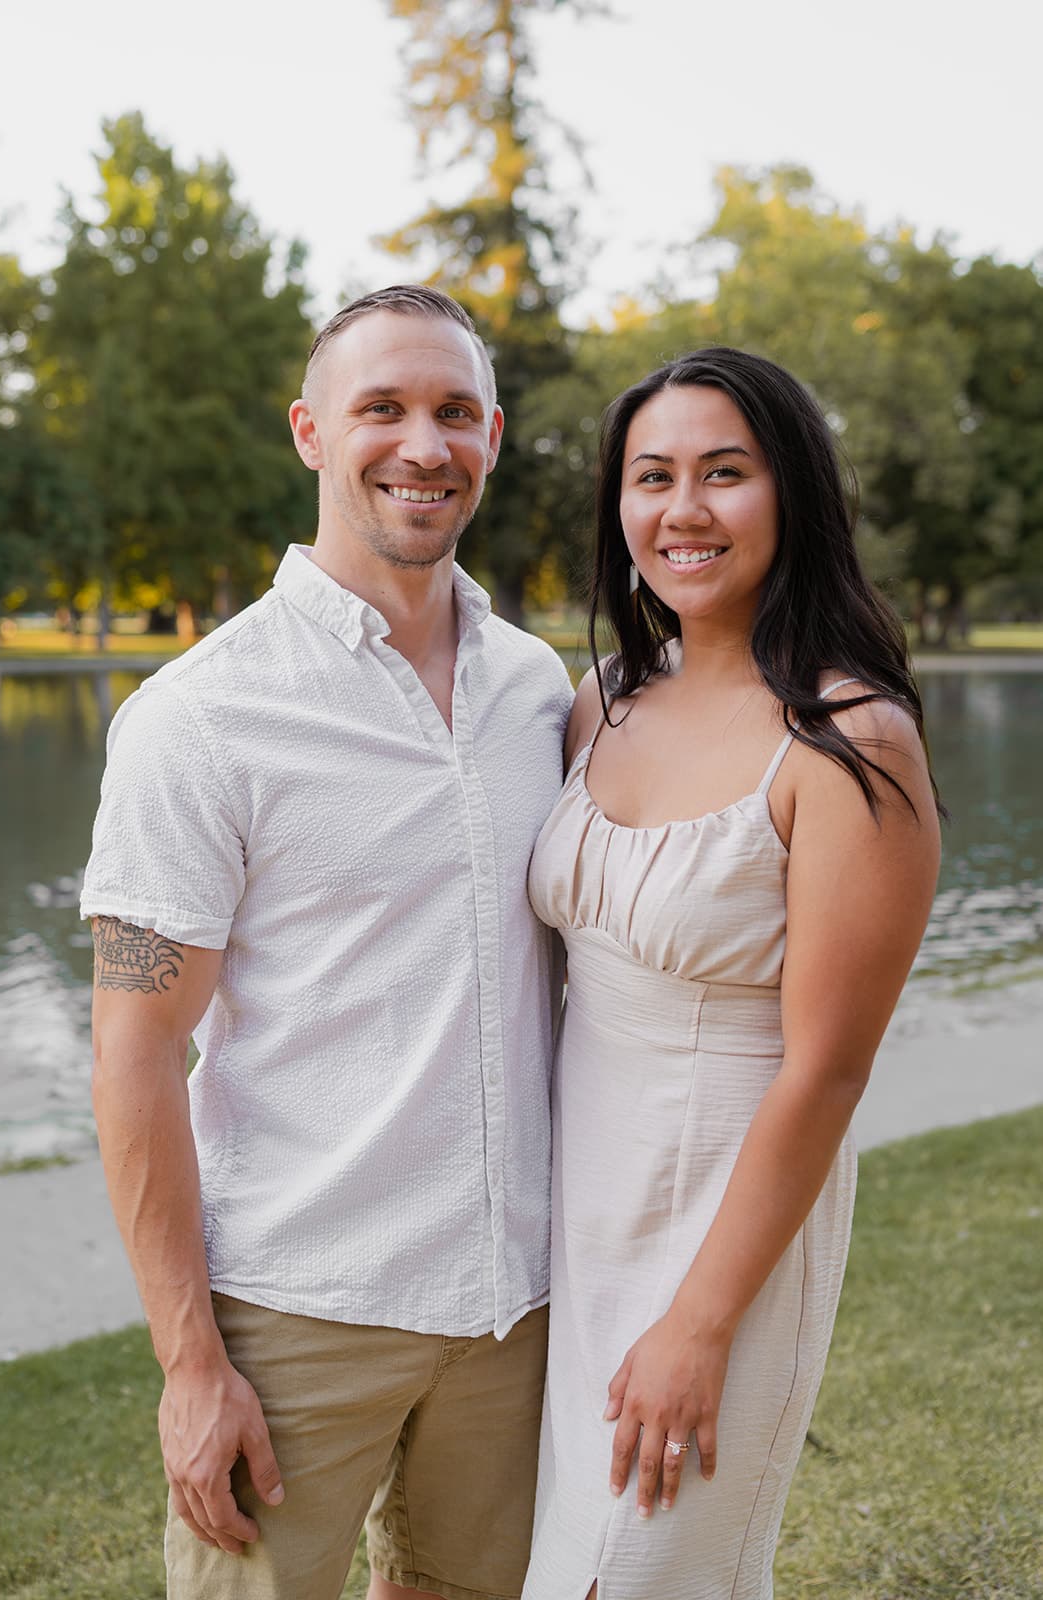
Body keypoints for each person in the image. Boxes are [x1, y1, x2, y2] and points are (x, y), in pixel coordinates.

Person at [80, 284, 573, 1600]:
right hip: (298, 1312)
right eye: (383, 409)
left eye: (453, 412)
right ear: (310, 432)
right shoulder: (201, 719)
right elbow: (134, 1057)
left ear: (493, 434)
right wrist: (192, 1365)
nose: (423, 444)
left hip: (513, 1307)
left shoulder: (536, 689)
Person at [523, 347, 941, 1599]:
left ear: (792, 494)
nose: (682, 510)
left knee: (650, 1569)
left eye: (724, 472)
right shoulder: (599, 702)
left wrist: (699, 1321)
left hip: (727, 1215)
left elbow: (826, 1069)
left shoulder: (850, 740)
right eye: (651, 477)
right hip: (579, 1206)